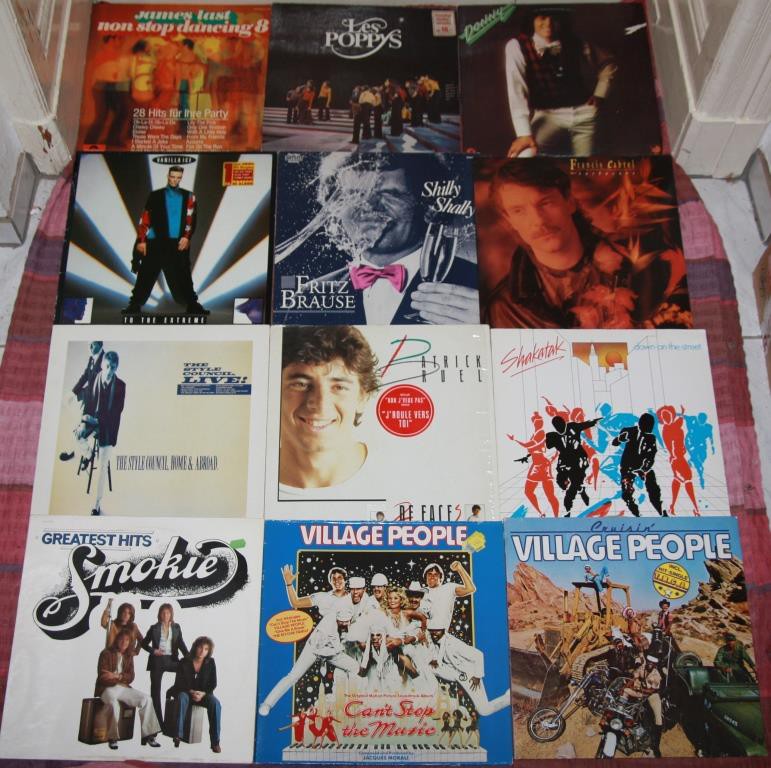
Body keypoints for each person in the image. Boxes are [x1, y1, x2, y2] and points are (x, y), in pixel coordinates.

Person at [483, 159, 691, 329]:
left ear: (569, 201)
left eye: (545, 203)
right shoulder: (504, 309)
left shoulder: (642, 263)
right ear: (510, 220)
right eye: (519, 211)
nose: (538, 221)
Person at [274, 154, 479, 325]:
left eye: (390, 194)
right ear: (335, 209)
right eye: (354, 195)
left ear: (428, 207)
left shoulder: (474, 287)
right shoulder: (309, 296)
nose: (369, 207)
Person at [279, 326, 379, 492]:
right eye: (301, 384)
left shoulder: (396, 477)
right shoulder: (246, 477)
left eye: (339, 387)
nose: (321, 404)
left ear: (362, 397)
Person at [504, 9, 617, 157]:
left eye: (554, 17)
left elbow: (608, 63)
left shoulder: (575, 42)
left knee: (584, 165)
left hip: (584, 114)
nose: (548, 23)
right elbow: (517, 91)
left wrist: (600, 93)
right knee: (525, 156)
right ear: (532, 19)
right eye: (542, 17)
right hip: (547, 116)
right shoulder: (517, 46)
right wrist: (524, 134)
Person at [122, 165, 208, 317]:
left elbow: (191, 218)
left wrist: (186, 237)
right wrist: (142, 240)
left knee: (183, 275)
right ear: (168, 176)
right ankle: (134, 305)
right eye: (172, 177)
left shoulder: (189, 196)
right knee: (146, 274)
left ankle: (192, 304)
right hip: (155, 241)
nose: (175, 180)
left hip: (177, 243)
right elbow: (145, 218)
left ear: (181, 178)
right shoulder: (155, 195)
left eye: (178, 177)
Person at [258, 605, 361, 716]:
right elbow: (318, 648)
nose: (345, 624)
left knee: (354, 667)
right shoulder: (326, 627)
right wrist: (337, 649)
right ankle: (267, 703)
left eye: (347, 621)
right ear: (337, 618)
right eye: (342, 621)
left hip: (333, 650)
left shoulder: (350, 617)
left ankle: (351, 700)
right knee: (293, 676)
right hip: (314, 650)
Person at [76, 350, 125, 516]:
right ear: (103, 364)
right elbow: (89, 402)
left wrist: (98, 421)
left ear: (116, 367)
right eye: (107, 366)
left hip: (108, 429)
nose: (109, 370)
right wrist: (84, 419)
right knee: (77, 435)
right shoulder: (96, 378)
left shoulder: (121, 386)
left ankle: (96, 504)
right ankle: (88, 454)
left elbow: (116, 413)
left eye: (113, 367)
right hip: (93, 421)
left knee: (102, 466)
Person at [95, 629, 161, 750]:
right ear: (117, 640)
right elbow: (103, 676)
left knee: (146, 699)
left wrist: (116, 676)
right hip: (106, 688)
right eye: (121, 639)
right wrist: (118, 678)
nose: (124, 642)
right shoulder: (106, 653)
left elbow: (131, 676)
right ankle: (112, 738)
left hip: (123, 688)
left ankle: (149, 735)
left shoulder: (128, 656)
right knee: (113, 704)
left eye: (127, 640)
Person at [426, 628, 510, 717]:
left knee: (484, 710)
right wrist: (435, 661)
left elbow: (478, 655)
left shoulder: (453, 644)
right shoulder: (438, 642)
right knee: (428, 668)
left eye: (437, 631)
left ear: (443, 630)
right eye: (432, 631)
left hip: (468, 676)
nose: (434, 633)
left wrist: (477, 676)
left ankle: (509, 698)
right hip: (454, 673)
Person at [142, 603, 189, 727]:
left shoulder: (176, 627)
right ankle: (158, 723)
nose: (165, 615)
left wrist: (189, 658)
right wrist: (153, 651)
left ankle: (174, 692)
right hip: (158, 660)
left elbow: (181, 643)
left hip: (172, 659)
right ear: (159, 614)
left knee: (185, 669)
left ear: (171, 614)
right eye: (163, 613)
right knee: (155, 691)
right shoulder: (154, 628)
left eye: (168, 613)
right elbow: (143, 643)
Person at [171, 635, 221, 752]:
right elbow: (178, 683)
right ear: (195, 647)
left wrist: (203, 693)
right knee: (182, 697)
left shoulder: (210, 662)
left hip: (203, 694)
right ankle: (178, 735)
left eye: (206, 649)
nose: (202, 651)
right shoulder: (184, 661)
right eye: (200, 647)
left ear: (208, 651)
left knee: (215, 703)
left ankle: (215, 742)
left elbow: (213, 683)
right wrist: (191, 691)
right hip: (187, 692)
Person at [545, 414, 600, 515]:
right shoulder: (553, 436)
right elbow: (542, 446)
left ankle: (568, 507)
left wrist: (595, 421)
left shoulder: (573, 427)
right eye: (557, 428)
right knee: (561, 481)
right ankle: (579, 488)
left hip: (578, 458)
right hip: (564, 460)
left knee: (574, 484)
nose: (560, 430)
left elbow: (585, 424)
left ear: (564, 424)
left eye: (562, 426)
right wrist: (528, 456)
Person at [60, 340, 104, 465]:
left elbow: (100, 391)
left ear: (100, 344)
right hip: (88, 397)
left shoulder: (105, 361)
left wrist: (86, 417)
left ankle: (86, 454)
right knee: (74, 420)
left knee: (79, 427)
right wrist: (73, 393)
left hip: (96, 405)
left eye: (93, 344)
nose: (90, 346)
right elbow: (85, 376)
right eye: (89, 344)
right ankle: (76, 452)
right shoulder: (92, 359)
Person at [613, 413, 665, 517]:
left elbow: (651, 455)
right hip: (627, 468)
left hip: (643, 468)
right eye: (648, 426)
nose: (649, 429)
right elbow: (614, 443)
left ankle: (660, 509)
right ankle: (636, 512)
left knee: (654, 488)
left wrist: (644, 469)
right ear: (641, 424)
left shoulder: (651, 438)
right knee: (627, 492)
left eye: (651, 426)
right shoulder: (628, 431)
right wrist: (619, 439)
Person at [509, 411, 559, 517]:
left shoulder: (541, 433)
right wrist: (526, 456)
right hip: (536, 465)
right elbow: (530, 449)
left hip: (543, 465)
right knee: (528, 491)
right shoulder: (535, 434)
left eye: (539, 421)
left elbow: (530, 446)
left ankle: (556, 517)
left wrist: (516, 440)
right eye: (536, 421)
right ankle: (541, 513)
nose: (537, 423)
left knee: (550, 495)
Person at [657, 405, 700, 515]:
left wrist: (682, 412)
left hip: (679, 457)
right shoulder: (667, 430)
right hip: (677, 459)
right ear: (662, 419)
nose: (667, 418)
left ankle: (672, 507)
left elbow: (680, 420)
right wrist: (674, 456)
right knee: (687, 479)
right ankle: (696, 509)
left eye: (668, 416)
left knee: (678, 480)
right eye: (664, 417)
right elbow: (671, 445)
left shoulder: (674, 425)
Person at [623, 654, 663, 758]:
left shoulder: (656, 675)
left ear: (655, 665)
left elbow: (651, 690)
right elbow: (634, 677)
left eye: (652, 663)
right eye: (649, 662)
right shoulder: (643, 668)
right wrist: (626, 686)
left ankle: (656, 746)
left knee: (658, 719)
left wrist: (638, 689)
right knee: (625, 691)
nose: (649, 664)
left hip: (651, 695)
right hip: (641, 692)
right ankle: (619, 713)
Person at [421, 561, 475, 633]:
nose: (432, 576)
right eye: (429, 574)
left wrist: (460, 569)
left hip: (440, 634)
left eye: (436, 574)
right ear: (425, 577)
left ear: (441, 577)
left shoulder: (448, 588)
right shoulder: (420, 592)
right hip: (421, 634)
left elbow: (470, 588)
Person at [281, 563, 351, 616]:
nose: (337, 581)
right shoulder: (321, 597)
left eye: (339, 578)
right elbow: (295, 603)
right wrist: (289, 583)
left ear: (345, 580)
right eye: (334, 578)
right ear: (330, 581)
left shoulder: (353, 597)